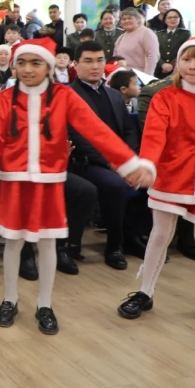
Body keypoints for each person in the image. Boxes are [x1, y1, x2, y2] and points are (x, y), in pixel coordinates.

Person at [0, 39, 154, 335]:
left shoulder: (64, 96)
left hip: (48, 183)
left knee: (48, 243)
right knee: (13, 242)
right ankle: (9, 299)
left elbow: (96, 130)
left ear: (49, 66)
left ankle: (45, 304)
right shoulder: (5, 99)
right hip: (14, 182)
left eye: (36, 63)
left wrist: (129, 163)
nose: (27, 69)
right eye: (21, 63)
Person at [118, 36, 195, 325]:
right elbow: (154, 136)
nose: (192, 65)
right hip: (171, 176)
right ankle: (145, 291)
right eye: (187, 59)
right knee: (160, 234)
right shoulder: (165, 97)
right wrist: (148, 165)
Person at [70, 41, 142, 268]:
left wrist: (131, 160)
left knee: (149, 180)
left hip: (119, 161)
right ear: (75, 64)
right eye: (88, 61)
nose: (95, 66)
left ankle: (132, 236)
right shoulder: (69, 95)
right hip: (85, 162)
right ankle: (114, 245)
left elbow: (128, 130)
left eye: (100, 60)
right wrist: (116, 164)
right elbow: (79, 139)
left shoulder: (113, 95)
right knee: (115, 185)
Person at [114, 7, 160, 75]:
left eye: (130, 18)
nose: (127, 21)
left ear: (137, 19)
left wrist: (147, 76)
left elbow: (153, 56)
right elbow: (115, 58)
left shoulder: (146, 33)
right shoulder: (120, 37)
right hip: (122, 76)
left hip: (140, 76)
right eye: (124, 19)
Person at [154, 8, 190, 78]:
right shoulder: (158, 34)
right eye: (169, 18)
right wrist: (162, 64)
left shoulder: (185, 34)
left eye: (175, 17)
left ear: (180, 19)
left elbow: (185, 51)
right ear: (165, 20)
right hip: (159, 70)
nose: (173, 20)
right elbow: (154, 52)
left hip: (178, 68)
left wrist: (172, 64)